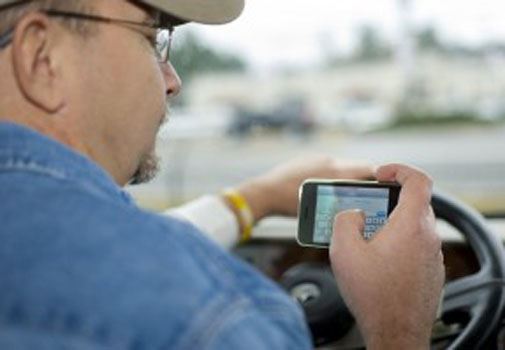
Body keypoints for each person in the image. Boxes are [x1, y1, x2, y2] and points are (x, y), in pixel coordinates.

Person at [0, 0, 444, 349]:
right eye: (152, 39)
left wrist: (259, 197)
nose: (172, 80)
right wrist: (397, 328)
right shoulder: (212, 311)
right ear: (43, 58)